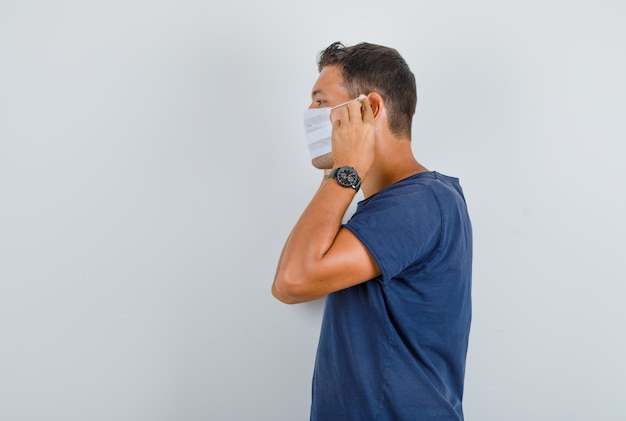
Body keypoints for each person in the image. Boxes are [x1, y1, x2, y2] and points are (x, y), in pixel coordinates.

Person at [272, 41, 472, 421]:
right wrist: (340, 171)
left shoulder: (420, 201)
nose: (309, 114)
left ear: (371, 109)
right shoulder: (397, 205)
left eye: (320, 101)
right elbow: (286, 284)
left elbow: (293, 280)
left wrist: (346, 169)